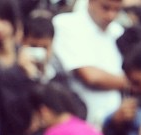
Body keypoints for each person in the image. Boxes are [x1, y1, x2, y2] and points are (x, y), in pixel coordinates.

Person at [52, 0, 127, 128]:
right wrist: (132, 82)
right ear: (91, 2)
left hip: (116, 124)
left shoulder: (118, 31)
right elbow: (91, 77)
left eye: (117, 10)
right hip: (80, 122)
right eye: (105, 8)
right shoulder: (66, 24)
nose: (111, 15)